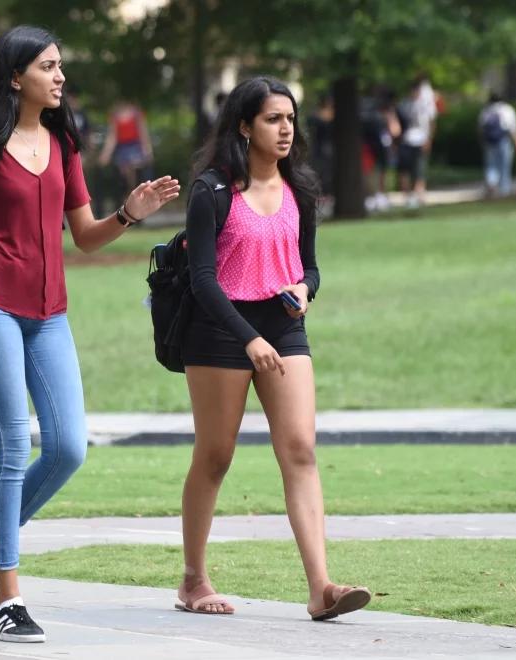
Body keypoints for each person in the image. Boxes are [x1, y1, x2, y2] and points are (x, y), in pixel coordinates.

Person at [0, 26, 180, 643]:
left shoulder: (63, 141)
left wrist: (129, 213)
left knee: (70, 445)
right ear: (15, 76)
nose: (60, 76)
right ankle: (8, 599)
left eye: (60, 66)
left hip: (49, 310)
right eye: (48, 66)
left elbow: (85, 234)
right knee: (13, 446)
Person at [176, 76, 371, 621]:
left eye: (290, 119)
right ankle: (193, 579)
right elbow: (203, 281)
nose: (285, 129)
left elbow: (309, 265)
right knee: (215, 456)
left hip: (283, 324)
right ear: (244, 126)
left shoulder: (300, 189)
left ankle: (321, 588)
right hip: (220, 328)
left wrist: (305, 289)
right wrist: (248, 338)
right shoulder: (211, 192)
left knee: (300, 448)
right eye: (272, 119)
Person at [97, 99, 154, 201]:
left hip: (135, 146)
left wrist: (147, 149)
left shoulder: (136, 114)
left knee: (134, 166)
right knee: (124, 170)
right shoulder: (115, 116)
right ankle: (128, 193)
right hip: (122, 147)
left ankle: (134, 192)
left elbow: (143, 133)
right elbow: (112, 137)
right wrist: (106, 154)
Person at [397, 78, 437, 208]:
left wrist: (429, 139)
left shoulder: (426, 105)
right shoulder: (404, 104)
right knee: (406, 170)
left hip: (421, 139)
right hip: (407, 139)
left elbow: (431, 123)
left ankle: (420, 195)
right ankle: (407, 196)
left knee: (419, 169)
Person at [478, 92, 516, 198]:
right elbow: (513, 128)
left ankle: (491, 184)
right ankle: (504, 190)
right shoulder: (507, 109)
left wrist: (482, 142)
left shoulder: (486, 110)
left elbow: (480, 129)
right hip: (503, 140)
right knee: (504, 166)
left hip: (489, 142)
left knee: (491, 166)